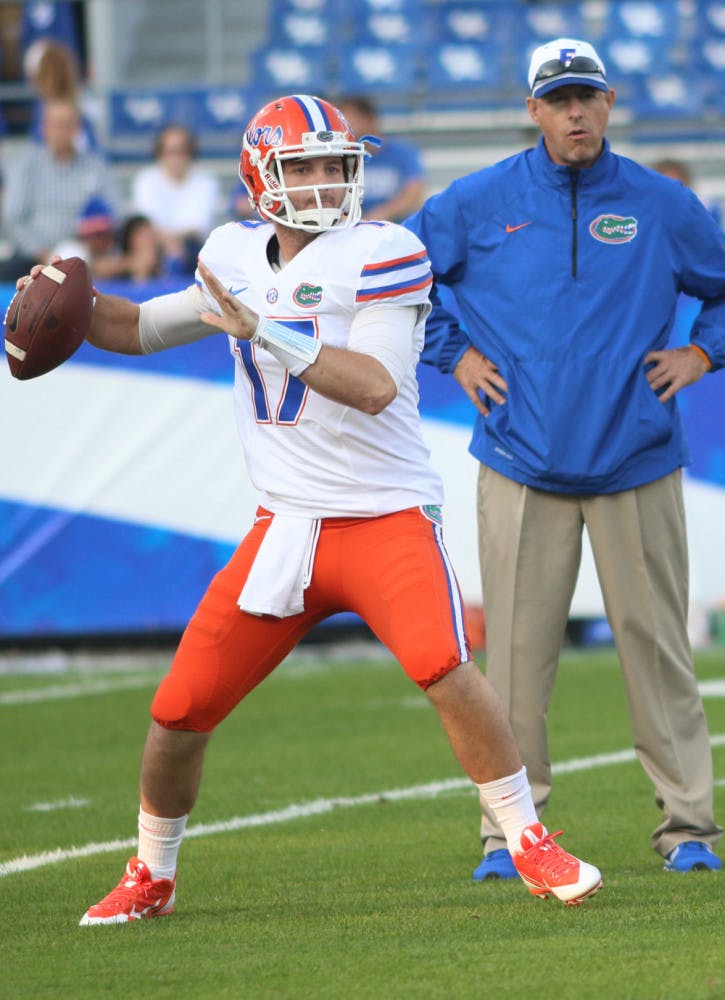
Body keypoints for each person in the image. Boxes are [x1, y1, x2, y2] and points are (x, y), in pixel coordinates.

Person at [18, 94, 602, 924]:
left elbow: (373, 386)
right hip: (285, 522)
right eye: (307, 167)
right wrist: (59, 304)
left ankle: (526, 838)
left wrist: (263, 329)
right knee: (179, 710)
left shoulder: (383, 251)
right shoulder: (232, 253)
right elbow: (142, 326)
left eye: (337, 165)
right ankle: (151, 872)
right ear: (261, 175)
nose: (328, 181)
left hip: (382, 516)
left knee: (444, 668)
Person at [405, 38, 725, 882]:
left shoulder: (663, 203)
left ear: (610, 103)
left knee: (657, 650)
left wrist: (702, 354)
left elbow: (724, 284)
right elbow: (395, 275)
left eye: (587, 96)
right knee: (510, 662)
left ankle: (689, 827)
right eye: (558, 98)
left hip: (637, 456)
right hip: (520, 458)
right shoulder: (475, 201)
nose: (574, 112)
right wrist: (451, 352)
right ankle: (508, 834)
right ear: (532, 109)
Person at [0, 98, 119, 280]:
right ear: (44, 128)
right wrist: (41, 251)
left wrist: (95, 242)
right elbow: (14, 217)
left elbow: (114, 211)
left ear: (78, 129)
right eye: (57, 125)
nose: (62, 131)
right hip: (33, 257)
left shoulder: (96, 167)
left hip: (87, 255)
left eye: (68, 125)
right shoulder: (26, 167)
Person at [130, 123, 220, 275]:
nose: (176, 158)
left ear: (191, 153)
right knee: (144, 251)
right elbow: (146, 225)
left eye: (182, 151)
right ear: (160, 154)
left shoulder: (206, 182)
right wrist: (169, 243)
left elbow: (197, 228)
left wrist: (173, 243)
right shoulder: (145, 180)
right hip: (155, 246)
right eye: (171, 151)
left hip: (193, 249)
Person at [336, 95, 426, 222]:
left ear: (369, 119)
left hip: (396, 226)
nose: (343, 127)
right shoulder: (341, 157)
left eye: (350, 120)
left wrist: (384, 213)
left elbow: (414, 193)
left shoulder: (402, 152)